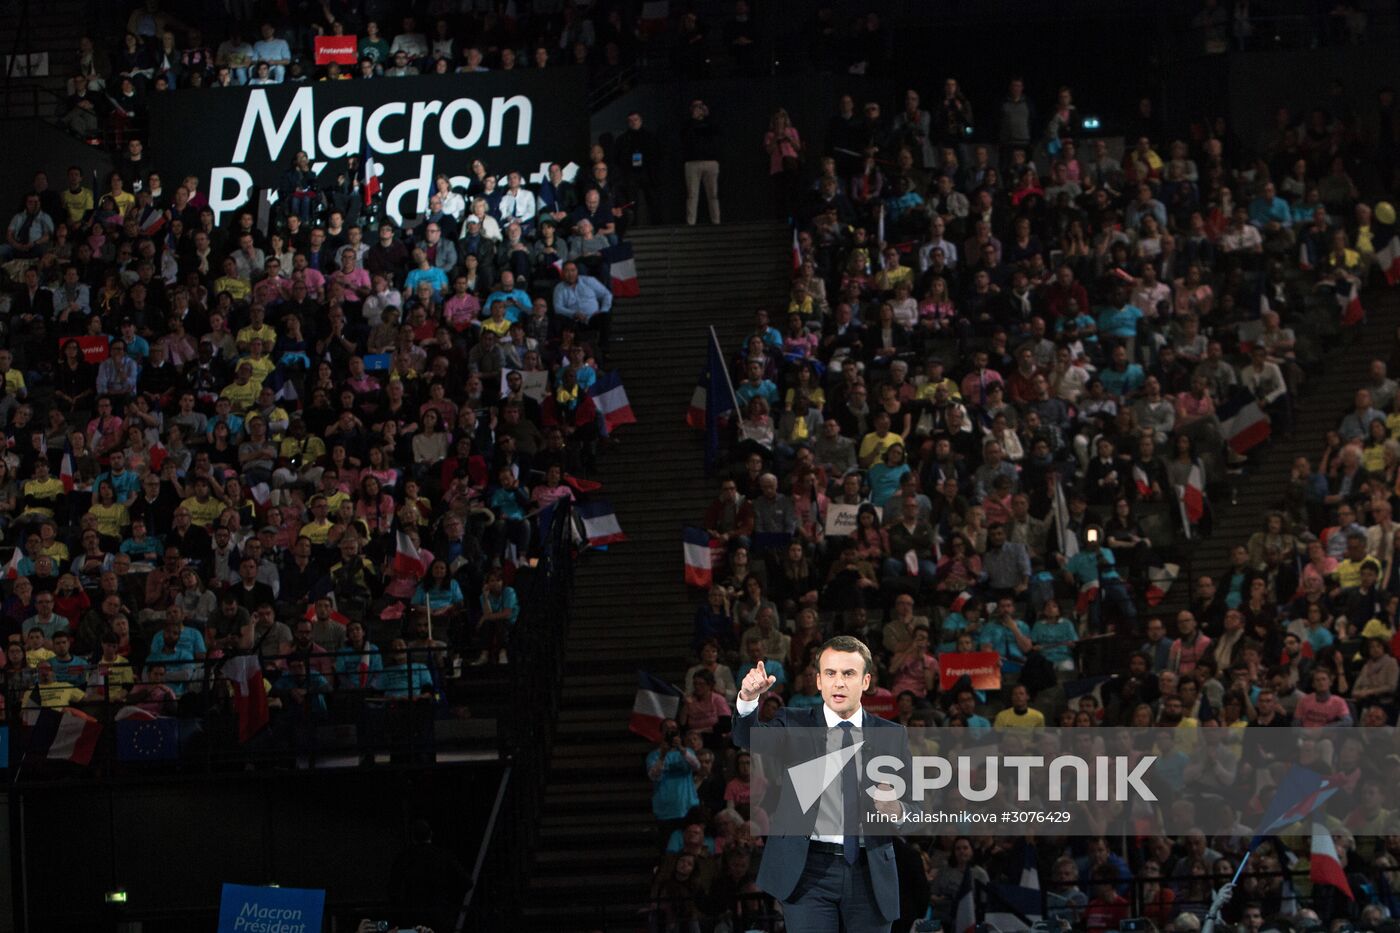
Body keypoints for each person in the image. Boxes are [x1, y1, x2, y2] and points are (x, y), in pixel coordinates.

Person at [731, 635, 908, 931]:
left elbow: (916, 808)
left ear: (865, 681)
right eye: (830, 673)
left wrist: (898, 810)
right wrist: (748, 700)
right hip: (807, 870)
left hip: (870, 872)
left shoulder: (892, 734)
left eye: (848, 674)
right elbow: (748, 739)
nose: (839, 682)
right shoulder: (794, 722)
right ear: (818, 681)